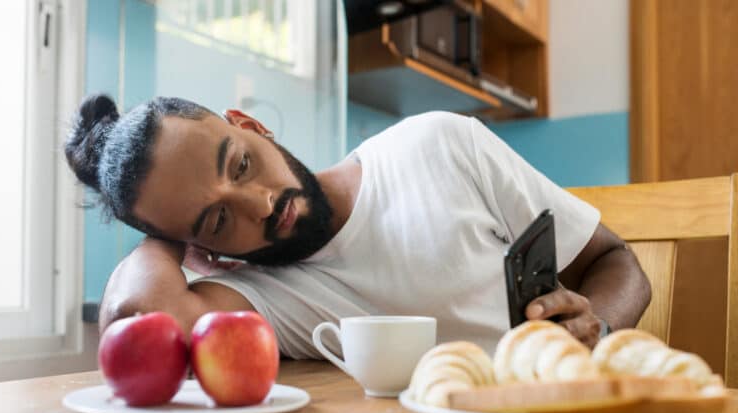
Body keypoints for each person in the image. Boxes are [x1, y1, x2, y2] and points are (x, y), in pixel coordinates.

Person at [65, 94, 650, 357]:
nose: (262, 204)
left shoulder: (439, 144)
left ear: (250, 125)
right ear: (199, 249)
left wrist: (596, 325)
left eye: (241, 164)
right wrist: (165, 233)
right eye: (219, 218)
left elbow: (616, 262)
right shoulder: (263, 293)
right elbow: (144, 321)